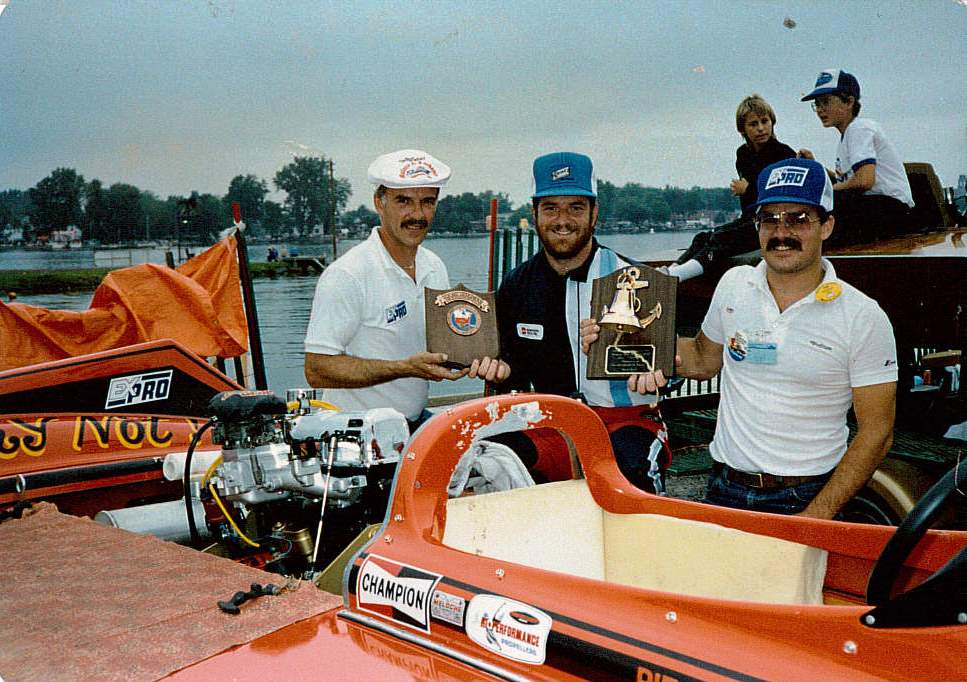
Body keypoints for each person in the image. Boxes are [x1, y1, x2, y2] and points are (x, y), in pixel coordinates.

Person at [582, 158, 898, 518]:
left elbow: (877, 433)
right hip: (724, 491)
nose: (782, 232)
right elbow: (701, 359)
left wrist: (816, 516)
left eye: (798, 218)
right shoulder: (734, 285)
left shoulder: (862, 315)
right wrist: (616, 341)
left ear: (826, 225)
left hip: (807, 495)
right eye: (770, 219)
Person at [491, 152, 671, 493]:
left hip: (624, 420)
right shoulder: (516, 286)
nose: (563, 219)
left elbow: (668, 367)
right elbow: (510, 372)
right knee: (494, 460)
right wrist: (493, 367)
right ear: (534, 213)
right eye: (550, 208)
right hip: (550, 423)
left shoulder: (635, 280)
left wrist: (659, 370)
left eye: (575, 207)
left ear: (594, 213)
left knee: (628, 468)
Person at [304, 149, 507, 431]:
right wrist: (405, 368)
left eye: (427, 202)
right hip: (355, 435)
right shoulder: (346, 274)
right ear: (379, 202)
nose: (417, 214)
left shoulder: (434, 266)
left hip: (412, 424)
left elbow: (446, 345)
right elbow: (317, 369)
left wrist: (482, 361)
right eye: (404, 201)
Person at [669, 95, 796, 281]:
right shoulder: (743, 154)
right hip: (750, 218)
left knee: (722, 240)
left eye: (764, 121)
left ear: (772, 122)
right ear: (742, 129)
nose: (761, 128)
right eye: (753, 124)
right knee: (703, 237)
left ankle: (678, 276)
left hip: (772, 222)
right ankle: (671, 270)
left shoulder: (784, 154)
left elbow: (784, 197)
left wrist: (749, 190)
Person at [798, 69, 913, 245]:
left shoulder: (859, 128)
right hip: (877, 207)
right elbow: (845, 181)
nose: (820, 110)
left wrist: (826, 191)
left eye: (826, 102)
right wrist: (816, 167)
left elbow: (865, 180)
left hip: (891, 208)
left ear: (849, 101)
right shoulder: (848, 137)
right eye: (817, 104)